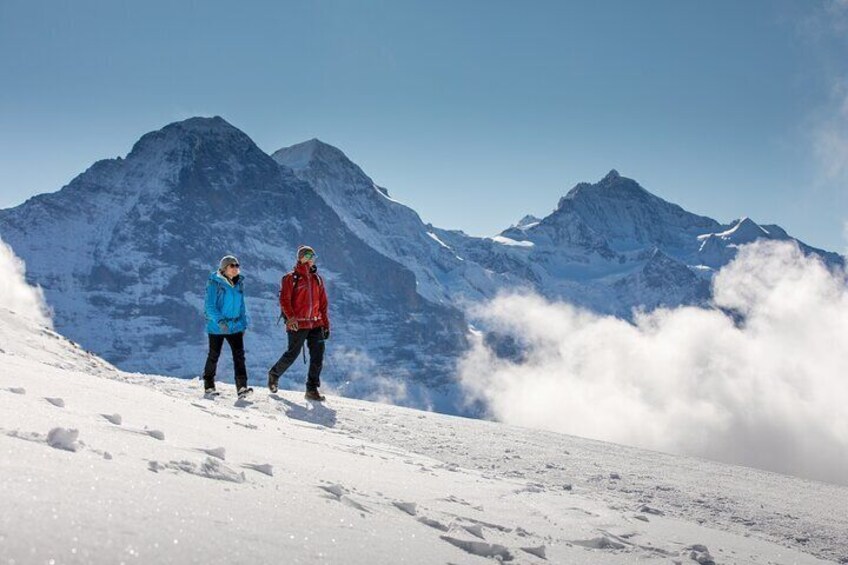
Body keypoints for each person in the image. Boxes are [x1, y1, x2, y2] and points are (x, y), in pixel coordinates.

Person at [268, 245, 330, 401]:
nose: (311, 259)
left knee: (318, 356)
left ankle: (311, 389)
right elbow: (284, 300)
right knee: (292, 354)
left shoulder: (318, 280)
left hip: (316, 324)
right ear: (300, 257)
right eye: (307, 255)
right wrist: (291, 318)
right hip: (298, 324)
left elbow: (323, 304)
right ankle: (274, 374)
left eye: (313, 256)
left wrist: (326, 325)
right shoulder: (290, 278)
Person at [202, 255, 253, 399]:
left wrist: (243, 323)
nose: (236, 268)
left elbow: (241, 305)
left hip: (235, 326)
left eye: (237, 265)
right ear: (224, 268)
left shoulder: (239, 283)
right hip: (217, 326)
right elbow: (209, 306)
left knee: (239, 356)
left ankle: (242, 387)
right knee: (214, 355)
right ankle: (209, 386)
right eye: (232, 266)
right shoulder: (214, 283)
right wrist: (220, 322)